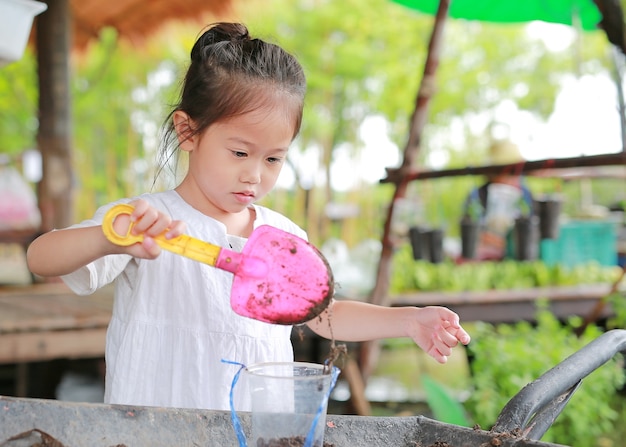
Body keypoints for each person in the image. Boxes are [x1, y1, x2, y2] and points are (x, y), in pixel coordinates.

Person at [27, 22, 470, 411]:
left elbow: (322, 313)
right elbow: (41, 259)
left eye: (274, 159)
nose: (254, 175)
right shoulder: (147, 221)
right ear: (189, 131)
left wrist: (408, 319)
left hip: (257, 430)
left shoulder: (281, 236)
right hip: (152, 428)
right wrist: (109, 239)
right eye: (240, 152)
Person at [462, 138, 534, 260]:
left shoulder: (525, 195)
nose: (512, 177)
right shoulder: (477, 196)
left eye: (514, 172)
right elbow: (470, 234)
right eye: (507, 172)